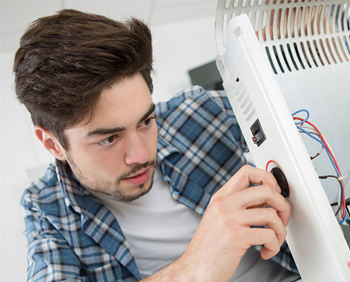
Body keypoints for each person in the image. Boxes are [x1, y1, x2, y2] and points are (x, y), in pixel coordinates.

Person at [14, 9, 299, 282]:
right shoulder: (46, 209)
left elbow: (301, 114)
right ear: (53, 145)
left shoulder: (195, 111)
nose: (141, 155)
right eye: (109, 139)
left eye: (146, 121)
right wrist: (193, 268)